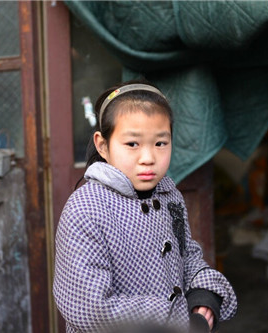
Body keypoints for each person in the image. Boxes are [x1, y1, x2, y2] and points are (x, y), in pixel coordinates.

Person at [53, 81, 237, 333]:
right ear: (102, 145)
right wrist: (177, 320)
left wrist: (205, 297)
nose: (148, 158)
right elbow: (89, 309)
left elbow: (186, 256)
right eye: (132, 144)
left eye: (160, 143)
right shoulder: (86, 208)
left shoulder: (169, 195)